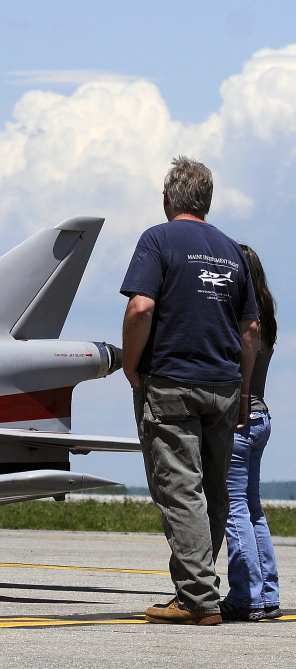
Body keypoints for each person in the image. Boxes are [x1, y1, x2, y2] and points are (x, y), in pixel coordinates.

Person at [121, 156, 259, 626]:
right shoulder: (231, 249)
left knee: (180, 489)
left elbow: (141, 307)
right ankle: (195, 588)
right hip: (223, 387)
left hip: (172, 382)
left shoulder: (157, 239)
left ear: (167, 199)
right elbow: (251, 330)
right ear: (208, 201)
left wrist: (131, 365)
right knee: (213, 491)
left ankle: (198, 598)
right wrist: (242, 392)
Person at [220, 244, 282, 621]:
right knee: (253, 508)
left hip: (240, 421)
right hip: (262, 419)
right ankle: (267, 593)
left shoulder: (243, 324)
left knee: (234, 508)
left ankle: (247, 596)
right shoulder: (267, 321)